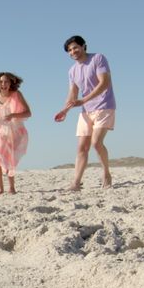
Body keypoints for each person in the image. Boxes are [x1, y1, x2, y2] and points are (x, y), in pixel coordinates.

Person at [54, 36, 117, 190]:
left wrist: (84, 100)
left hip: (104, 105)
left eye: (75, 47)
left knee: (96, 142)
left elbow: (104, 83)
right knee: (81, 147)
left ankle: (106, 174)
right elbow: (73, 93)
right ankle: (76, 183)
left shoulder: (98, 58)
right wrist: (65, 110)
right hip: (86, 111)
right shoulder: (72, 71)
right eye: (69, 50)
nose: (72, 51)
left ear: (83, 46)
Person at [0, 72, 31, 194]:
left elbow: (28, 113)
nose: (3, 84)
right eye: (0, 82)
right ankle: (0, 187)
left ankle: (12, 187)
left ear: (11, 83)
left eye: (6, 82)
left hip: (14, 132)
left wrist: (13, 115)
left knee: (10, 159)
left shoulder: (16, 95)